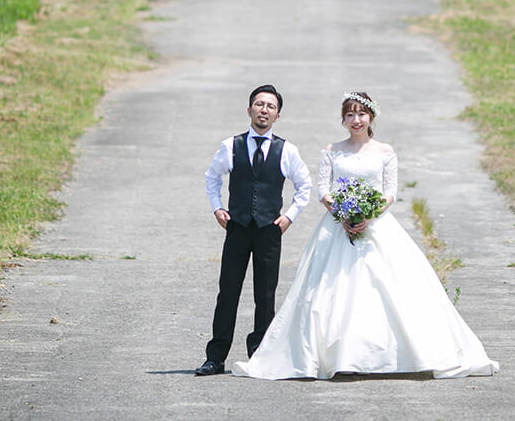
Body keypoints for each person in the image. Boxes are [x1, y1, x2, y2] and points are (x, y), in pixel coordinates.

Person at [231, 91, 498, 380]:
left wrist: (368, 215)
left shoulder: (385, 151)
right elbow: (323, 189)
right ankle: (335, 356)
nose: (355, 120)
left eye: (361, 114)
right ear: (343, 119)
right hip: (336, 226)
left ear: (371, 117)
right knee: (330, 291)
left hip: (377, 226)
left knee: (390, 289)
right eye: (350, 115)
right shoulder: (332, 149)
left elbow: (390, 191)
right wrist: (343, 214)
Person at [195, 84, 312, 376]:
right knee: (228, 292)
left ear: (278, 115)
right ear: (249, 110)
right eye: (259, 104)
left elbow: (305, 187)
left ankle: (260, 355)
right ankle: (216, 357)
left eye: (270, 107)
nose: (264, 110)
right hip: (237, 227)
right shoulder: (230, 145)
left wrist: (289, 217)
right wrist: (216, 207)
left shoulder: (287, 150)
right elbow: (212, 178)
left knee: (266, 295)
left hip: (269, 231)